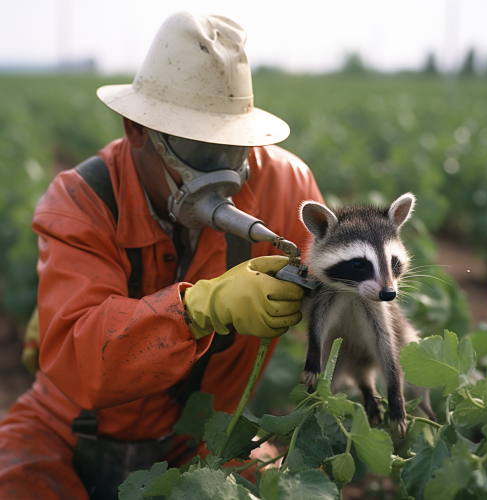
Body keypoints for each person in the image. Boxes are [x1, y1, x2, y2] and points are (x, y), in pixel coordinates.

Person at [0, 11, 323, 500]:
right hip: (66, 431)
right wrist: (199, 309)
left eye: (232, 149)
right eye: (199, 148)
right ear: (136, 131)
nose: (223, 173)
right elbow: (84, 359)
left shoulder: (285, 187)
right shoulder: (83, 201)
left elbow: (345, 285)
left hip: (202, 446)